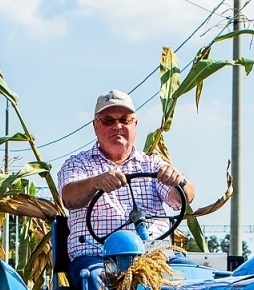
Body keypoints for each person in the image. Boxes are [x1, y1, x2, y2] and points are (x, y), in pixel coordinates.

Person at [57, 89, 194, 277]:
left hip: (157, 257)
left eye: (125, 120)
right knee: (97, 281)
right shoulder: (77, 164)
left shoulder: (152, 163)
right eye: (108, 120)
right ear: (95, 126)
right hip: (99, 258)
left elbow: (182, 197)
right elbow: (69, 197)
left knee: (194, 277)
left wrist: (179, 181)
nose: (117, 126)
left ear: (135, 125)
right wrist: (96, 182)